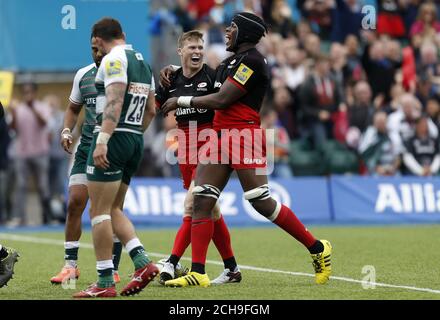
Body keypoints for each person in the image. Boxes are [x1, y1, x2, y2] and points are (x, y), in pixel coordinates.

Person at [161, 12, 332, 287]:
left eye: (232, 28)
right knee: (202, 199)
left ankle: (316, 247)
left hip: (243, 134)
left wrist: (180, 100)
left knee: (259, 200)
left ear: (245, 34)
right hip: (219, 136)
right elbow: (203, 82)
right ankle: (198, 271)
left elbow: (221, 98)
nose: (227, 32)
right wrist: (175, 71)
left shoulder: (252, 61)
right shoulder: (229, 62)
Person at [73, 18, 157, 298]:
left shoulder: (113, 60)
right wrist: (133, 135)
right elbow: (152, 110)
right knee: (113, 209)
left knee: (97, 212)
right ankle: (142, 262)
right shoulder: (142, 62)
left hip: (113, 136)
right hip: (134, 137)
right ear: (122, 34)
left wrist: (104, 140)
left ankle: (105, 281)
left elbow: (114, 100)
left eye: (93, 43)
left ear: (97, 39)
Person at [155, 30, 241, 285]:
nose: (197, 51)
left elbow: (223, 102)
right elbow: (155, 107)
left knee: (193, 206)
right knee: (211, 209)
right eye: (191, 47)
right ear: (180, 51)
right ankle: (232, 269)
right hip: (185, 143)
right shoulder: (170, 78)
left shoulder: (212, 76)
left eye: (200, 47)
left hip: (210, 142)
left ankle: (172, 261)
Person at [50, 37, 122, 285]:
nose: (97, 54)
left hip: (113, 149)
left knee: (107, 210)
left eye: (100, 49)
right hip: (86, 148)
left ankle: (112, 268)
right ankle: (70, 266)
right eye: (93, 49)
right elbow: (72, 109)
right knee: (75, 203)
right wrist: (66, 131)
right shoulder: (83, 75)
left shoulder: (121, 75)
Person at [8, 83, 54, 226]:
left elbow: (44, 124)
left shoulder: (42, 107)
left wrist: (32, 108)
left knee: (43, 186)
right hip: (22, 154)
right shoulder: (18, 109)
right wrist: (14, 113)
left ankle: (47, 217)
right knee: (21, 186)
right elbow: (13, 129)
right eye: (25, 92)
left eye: (30, 92)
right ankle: (20, 218)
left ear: (35, 93)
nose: (27, 95)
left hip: (40, 153)